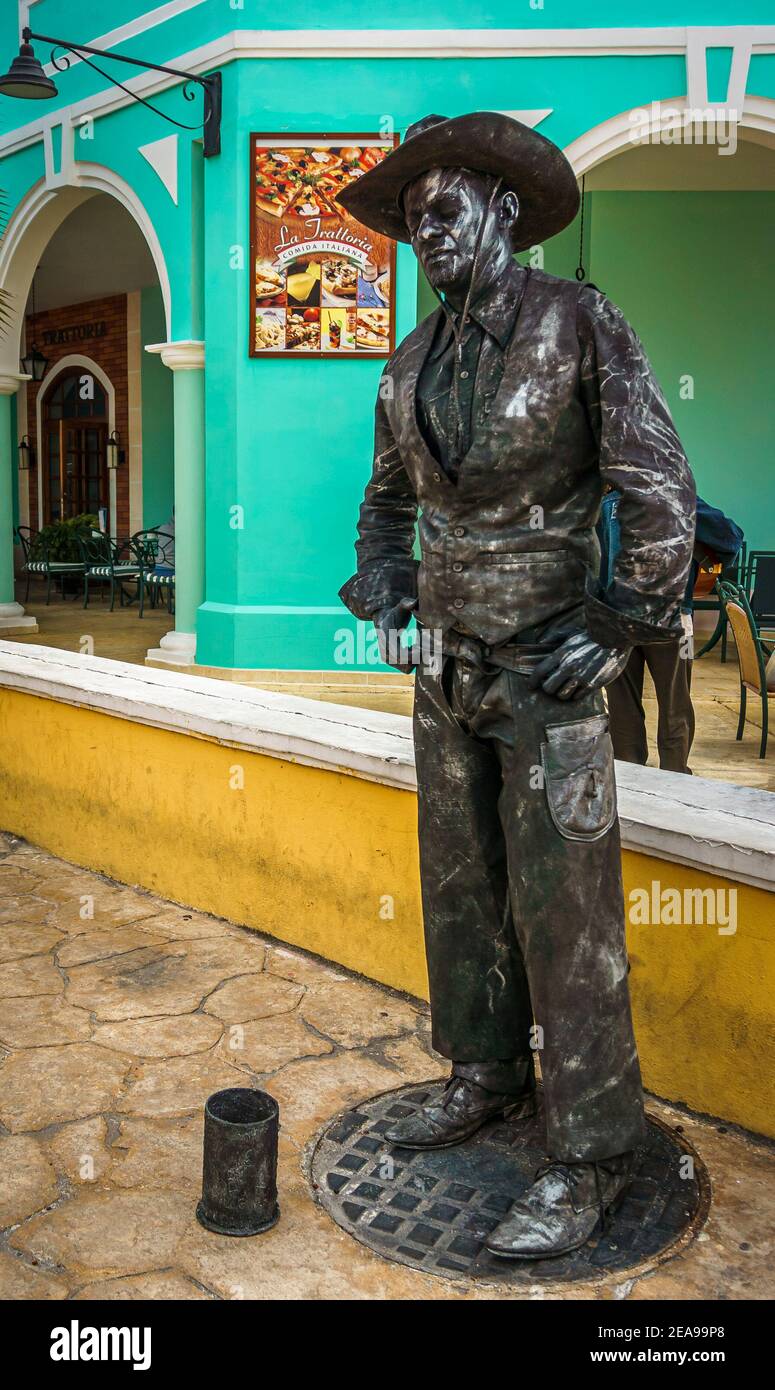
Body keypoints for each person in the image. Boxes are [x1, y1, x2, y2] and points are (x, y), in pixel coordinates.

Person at [337, 113, 696, 1259]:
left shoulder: (576, 322)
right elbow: (384, 505)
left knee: (567, 914)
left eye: (443, 208)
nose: (425, 232)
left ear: (501, 210)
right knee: (460, 885)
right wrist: (387, 587)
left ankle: (591, 1148)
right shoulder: (409, 360)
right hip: (444, 673)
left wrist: (619, 617)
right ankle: (486, 1072)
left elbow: (658, 487)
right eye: (410, 220)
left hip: (549, 672)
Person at [599, 492, 743, 774]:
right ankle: (674, 776)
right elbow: (730, 538)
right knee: (675, 703)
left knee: (622, 705)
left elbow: (596, 560)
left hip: (618, 618)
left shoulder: (608, 502)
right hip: (671, 617)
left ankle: (629, 776)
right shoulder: (677, 495)